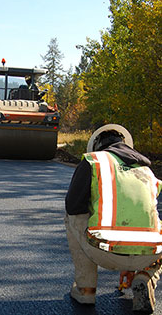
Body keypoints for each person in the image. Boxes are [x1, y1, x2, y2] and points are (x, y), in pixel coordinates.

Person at [65, 124, 162, 313]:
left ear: (97, 145)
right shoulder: (147, 171)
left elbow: (73, 205)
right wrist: (133, 260)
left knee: (72, 215)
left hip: (103, 250)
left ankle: (85, 290)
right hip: (149, 254)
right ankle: (145, 275)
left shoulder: (93, 161)